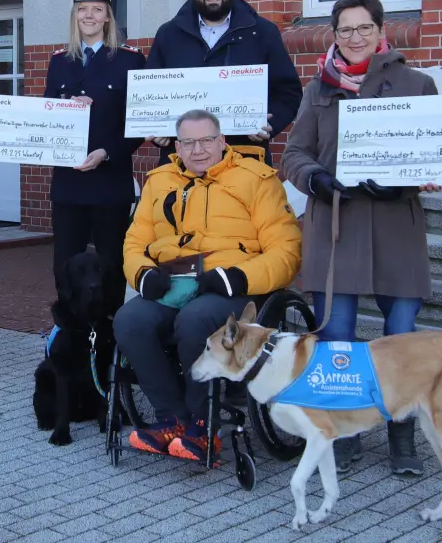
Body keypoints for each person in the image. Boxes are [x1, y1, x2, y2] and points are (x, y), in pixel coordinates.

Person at [280, 0, 442, 476]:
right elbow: (294, 153)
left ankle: (401, 430)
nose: (355, 38)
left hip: (395, 226)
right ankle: (346, 427)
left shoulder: (416, 84)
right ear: (333, 34)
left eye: (364, 28)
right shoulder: (318, 89)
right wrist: (315, 179)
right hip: (337, 224)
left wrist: (405, 182)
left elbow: (434, 149)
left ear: (381, 31)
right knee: (337, 337)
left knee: (401, 335)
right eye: (345, 30)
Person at [113, 110, 302, 461]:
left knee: (196, 320)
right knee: (129, 319)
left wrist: (237, 277)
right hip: (174, 283)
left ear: (221, 141)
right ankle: (171, 418)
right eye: (188, 142)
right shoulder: (159, 180)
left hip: (232, 286)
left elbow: (285, 251)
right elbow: (135, 241)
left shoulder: (256, 179)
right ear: (177, 147)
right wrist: (143, 274)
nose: (197, 150)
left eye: (205, 141)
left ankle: (203, 424)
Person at [44, 0, 146, 312]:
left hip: (109, 182)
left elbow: (138, 124)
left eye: (97, 9)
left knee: (111, 265)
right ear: (75, 15)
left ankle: (109, 334)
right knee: (65, 266)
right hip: (69, 182)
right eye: (82, 9)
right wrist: (64, 109)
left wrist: (107, 151)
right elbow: (45, 117)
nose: (89, 15)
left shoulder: (130, 60)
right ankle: (69, 332)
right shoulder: (59, 62)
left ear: (108, 16)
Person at [145, 0, 302, 160]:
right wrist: (157, 130)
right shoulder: (168, 35)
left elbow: (288, 93)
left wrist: (270, 123)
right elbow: (150, 96)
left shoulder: (262, 33)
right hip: (183, 163)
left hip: (244, 159)